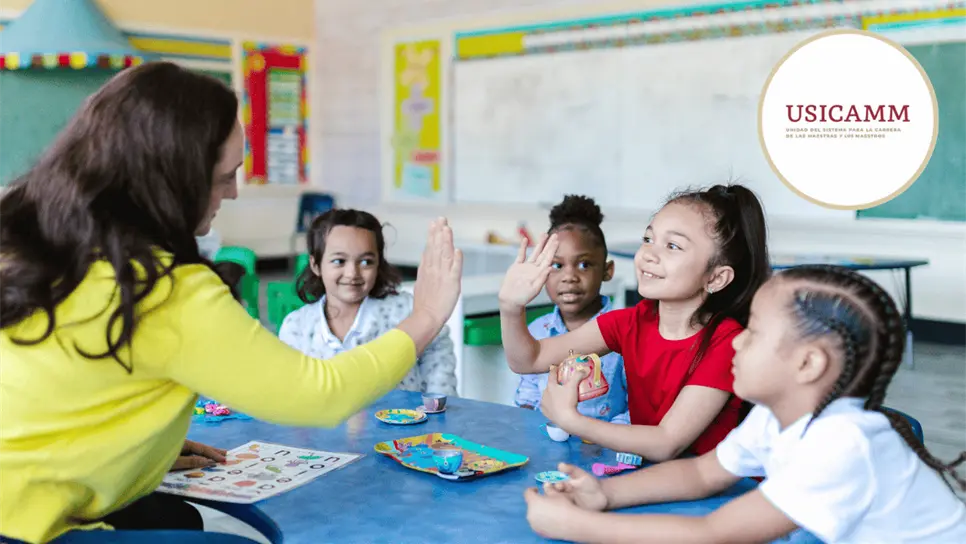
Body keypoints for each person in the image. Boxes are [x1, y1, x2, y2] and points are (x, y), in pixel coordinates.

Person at [0, 61, 464, 544]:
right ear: (171, 179)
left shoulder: (37, 244)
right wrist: (426, 315)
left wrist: (136, 446)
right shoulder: (161, 287)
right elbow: (321, 394)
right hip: (25, 528)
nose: (234, 192)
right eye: (225, 177)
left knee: (176, 518)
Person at [523, 265, 966, 544]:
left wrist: (580, 529)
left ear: (808, 363)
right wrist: (605, 493)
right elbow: (701, 474)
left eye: (753, 333)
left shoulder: (842, 443)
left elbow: (713, 533)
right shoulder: (777, 419)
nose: (736, 343)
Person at [500, 185, 770, 461]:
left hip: (709, 493)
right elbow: (529, 360)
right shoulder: (631, 322)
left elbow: (667, 442)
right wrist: (511, 307)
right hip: (650, 476)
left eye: (673, 246)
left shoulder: (727, 343)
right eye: (648, 239)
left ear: (715, 278)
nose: (649, 254)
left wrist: (571, 420)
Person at [279, 209, 458, 396]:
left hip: (404, 423)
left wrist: (439, 409)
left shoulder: (407, 311)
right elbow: (289, 393)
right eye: (339, 261)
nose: (352, 273)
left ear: (379, 263)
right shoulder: (297, 326)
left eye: (366, 262)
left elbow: (438, 355)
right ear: (316, 265)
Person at [512, 195, 628, 424]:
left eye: (584, 264)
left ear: (607, 271)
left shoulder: (626, 334)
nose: (569, 277)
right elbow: (528, 396)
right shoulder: (537, 330)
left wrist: (609, 440)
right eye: (556, 265)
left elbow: (639, 409)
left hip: (605, 450)